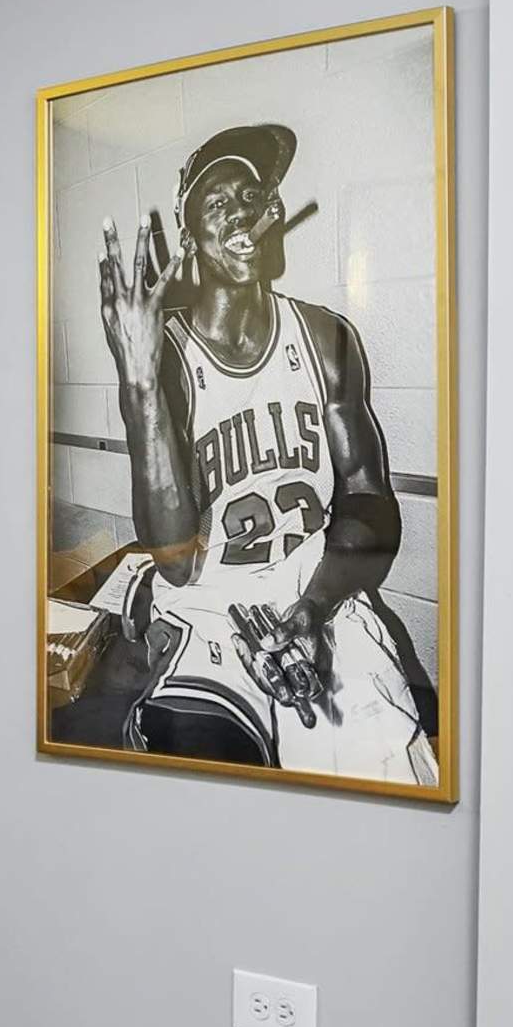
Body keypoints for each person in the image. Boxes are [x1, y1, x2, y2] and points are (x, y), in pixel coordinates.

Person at [97, 122, 438, 784]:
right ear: (188, 230)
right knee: (206, 771)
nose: (239, 213)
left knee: (391, 777)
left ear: (272, 212)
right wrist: (137, 380)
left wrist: (314, 607)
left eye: (250, 196)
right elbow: (171, 557)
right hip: (207, 599)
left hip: (316, 589)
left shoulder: (326, 337)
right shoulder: (165, 355)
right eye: (215, 204)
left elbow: (370, 500)